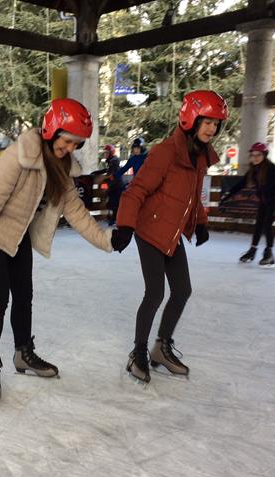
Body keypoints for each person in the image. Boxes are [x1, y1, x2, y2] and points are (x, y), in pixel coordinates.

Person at [0, 98, 129, 401]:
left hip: (19, 240)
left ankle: (23, 353)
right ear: (51, 130)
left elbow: (76, 212)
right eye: (67, 140)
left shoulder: (61, 170)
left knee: (24, 297)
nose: (70, 148)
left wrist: (108, 241)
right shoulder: (18, 157)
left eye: (76, 143)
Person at [116, 90, 228, 383]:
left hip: (171, 233)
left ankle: (160, 348)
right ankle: (138, 352)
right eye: (206, 122)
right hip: (149, 231)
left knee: (182, 290)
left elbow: (193, 198)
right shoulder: (166, 152)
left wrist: (200, 223)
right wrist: (125, 226)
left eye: (216, 124)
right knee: (155, 292)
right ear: (190, 118)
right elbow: (136, 190)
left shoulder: (198, 157)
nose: (211, 129)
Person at [220, 142, 275, 268]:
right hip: (264, 201)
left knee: (267, 225)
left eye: (258, 155)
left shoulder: (271, 168)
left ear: (264, 155)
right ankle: (252, 251)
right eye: (253, 155)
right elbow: (240, 184)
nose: (255, 158)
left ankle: (269, 254)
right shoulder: (253, 170)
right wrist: (227, 196)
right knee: (258, 225)